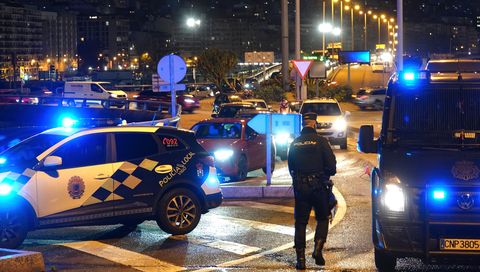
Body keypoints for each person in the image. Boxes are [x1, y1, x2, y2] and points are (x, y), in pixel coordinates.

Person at [288, 112, 337, 270]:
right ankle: (317, 249)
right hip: (319, 186)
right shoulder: (321, 141)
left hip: (301, 187)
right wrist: (324, 174)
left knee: (301, 222)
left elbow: (291, 168)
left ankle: (300, 260)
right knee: (323, 218)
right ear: (315, 124)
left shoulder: (294, 143)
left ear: (303, 124)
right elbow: (332, 167)